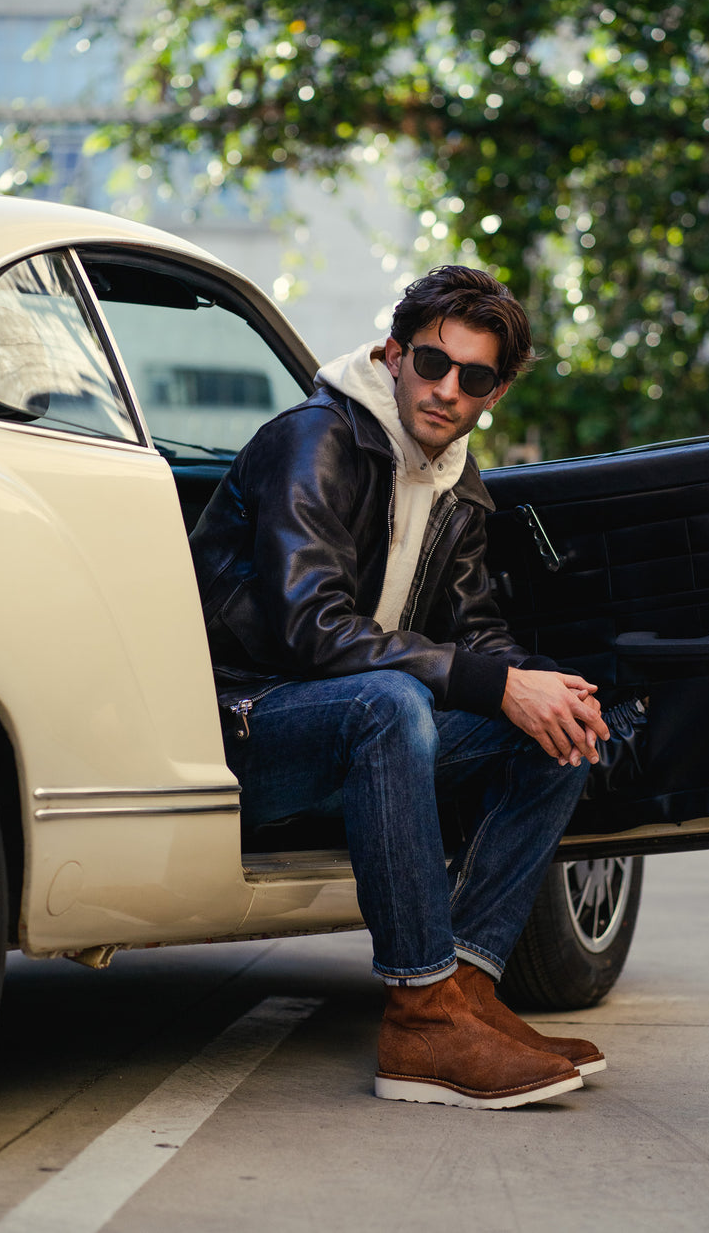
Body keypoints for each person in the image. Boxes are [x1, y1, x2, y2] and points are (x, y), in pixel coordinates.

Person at [189, 265, 610, 1110]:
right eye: (431, 362)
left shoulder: (455, 476)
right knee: (392, 704)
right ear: (392, 354)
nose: (447, 390)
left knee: (556, 731)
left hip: (345, 721)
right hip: (239, 725)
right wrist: (493, 684)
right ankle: (420, 1015)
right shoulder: (318, 442)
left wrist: (536, 688)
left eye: (476, 378)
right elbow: (314, 630)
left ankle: (470, 993)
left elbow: (475, 626)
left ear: (496, 392)